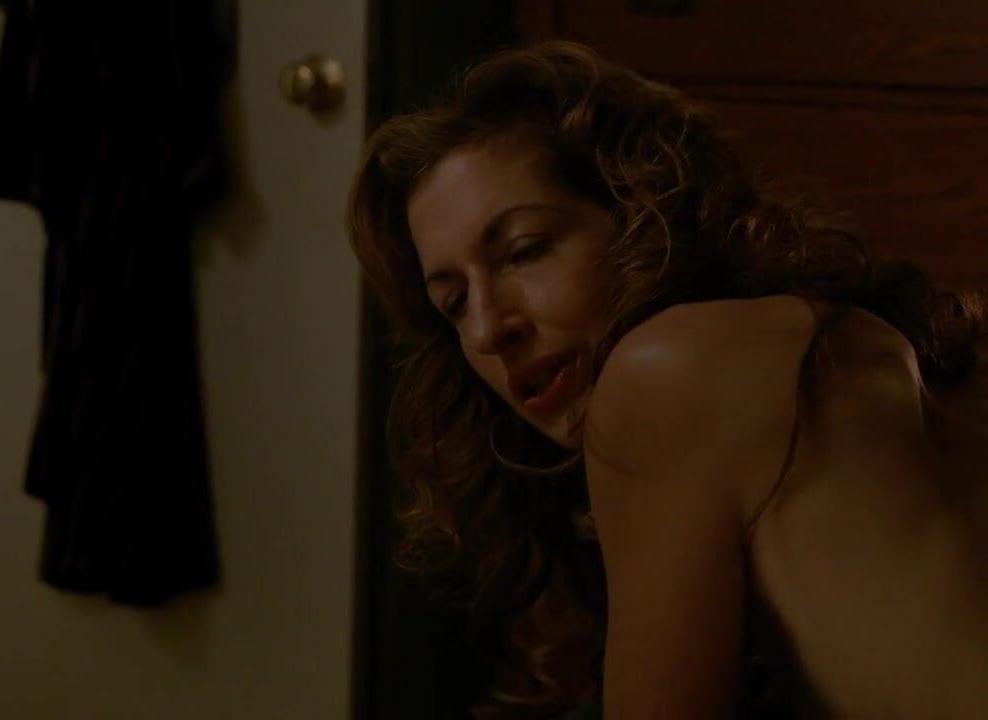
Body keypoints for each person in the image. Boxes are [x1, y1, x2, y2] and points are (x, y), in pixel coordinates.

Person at [348, 40, 988, 719]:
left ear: (642, 213)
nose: (486, 329)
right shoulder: (849, 343)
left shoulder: (669, 370)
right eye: (453, 302)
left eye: (524, 251)